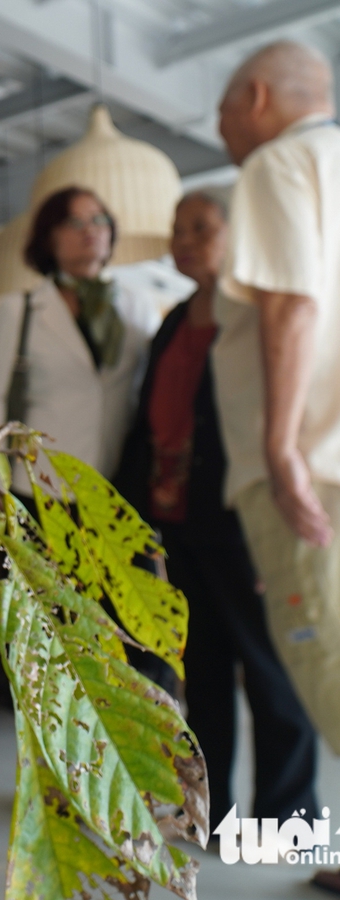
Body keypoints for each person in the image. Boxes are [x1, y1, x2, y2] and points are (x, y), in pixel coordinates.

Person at [115, 192, 318, 834]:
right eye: (178, 230)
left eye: (201, 229)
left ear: (236, 234)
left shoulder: (255, 315)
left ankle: (286, 822)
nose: (186, 241)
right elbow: (150, 424)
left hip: (243, 514)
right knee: (200, 673)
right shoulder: (174, 319)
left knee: (270, 670)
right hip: (177, 518)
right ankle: (217, 814)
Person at [212, 40, 340, 890]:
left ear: (255, 96)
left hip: (312, 466)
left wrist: (280, 446)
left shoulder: (279, 162)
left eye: (222, 115)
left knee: (326, 661)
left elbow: (293, 301)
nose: (222, 134)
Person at [0, 187, 160, 502]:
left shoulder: (137, 306)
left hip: (117, 485)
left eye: (98, 220)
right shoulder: (21, 309)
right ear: (49, 237)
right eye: (74, 222)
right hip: (39, 484)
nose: (89, 230)